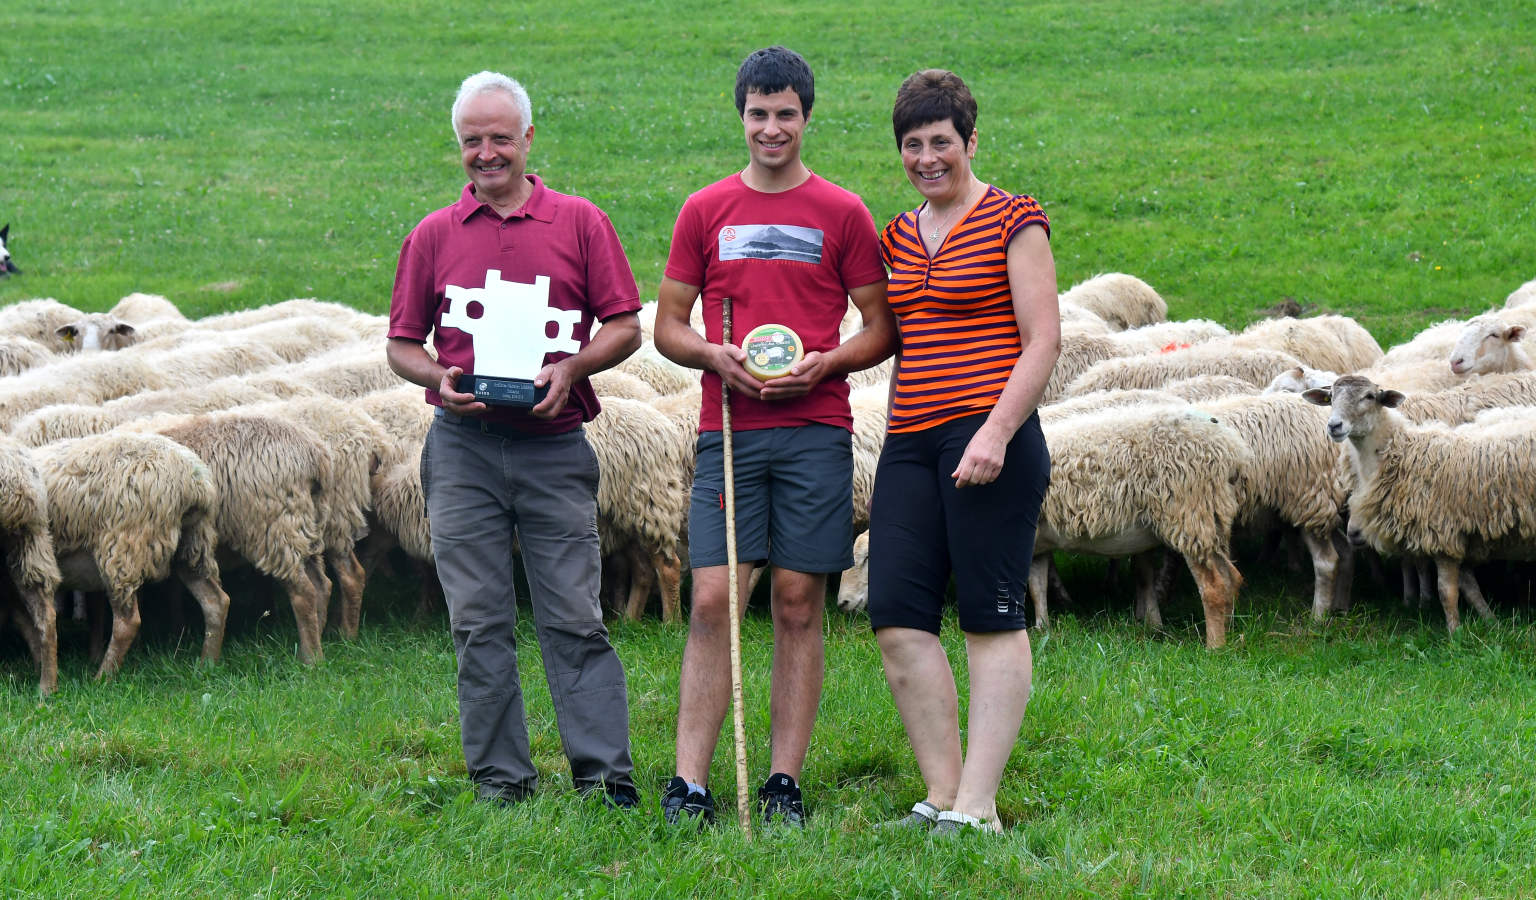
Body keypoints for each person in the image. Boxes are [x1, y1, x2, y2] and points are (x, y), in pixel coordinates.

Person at [653, 46, 895, 828]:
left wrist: (828, 362)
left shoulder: (842, 212)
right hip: (728, 429)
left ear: (806, 117)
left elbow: (880, 326)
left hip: (814, 429)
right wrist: (712, 355)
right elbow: (668, 324)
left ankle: (783, 781)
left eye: (785, 113)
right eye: (758, 114)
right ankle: (690, 784)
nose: (771, 128)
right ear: (742, 117)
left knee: (797, 602)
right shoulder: (705, 210)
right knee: (713, 598)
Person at [386, 70, 642, 809]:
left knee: (574, 616)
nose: (487, 153)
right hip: (462, 450)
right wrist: (438, 379)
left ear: (528, 138)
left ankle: (604, 778)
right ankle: (501, 780)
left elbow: (625, 324)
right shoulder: (433, 235)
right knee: (477, 619)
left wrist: (573, 367)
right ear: (459, 146)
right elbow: (401, 344)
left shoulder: (580, 223)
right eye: (473, 140)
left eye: (501, 138)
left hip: (553, 446)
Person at [866, 69, 1060, 835]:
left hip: (990, 436)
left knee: (990, 614)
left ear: (970, 141)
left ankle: (979, 806)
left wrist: (996, 432)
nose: (927, 158)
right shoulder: (898, 234)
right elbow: (897, 339)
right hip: (909, 439)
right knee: (896, 615)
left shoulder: (1015, 218)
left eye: (940, 141)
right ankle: (942, 794)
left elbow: (1043, 340)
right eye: (912, 145)